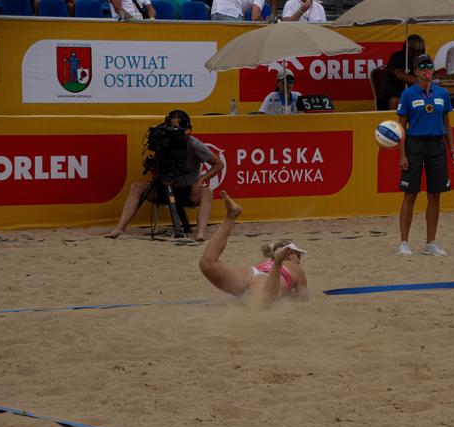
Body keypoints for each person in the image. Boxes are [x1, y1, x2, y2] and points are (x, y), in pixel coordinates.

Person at [106, 110, 224, 241]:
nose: (175, 132)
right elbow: (157, 166)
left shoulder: (194, 144)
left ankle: (200, 232)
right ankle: (120, 228)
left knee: (207, 192)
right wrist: (151, 164)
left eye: (178, 129)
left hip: (188, 190)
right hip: (163, 188)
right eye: (172, 128)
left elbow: (219, 165)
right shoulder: (162, 141)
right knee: (136, 187)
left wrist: (202, 179)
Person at [396, 54, 454, 257]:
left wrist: (452, 150)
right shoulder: (408, 94)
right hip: (414, 145)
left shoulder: (442, 93)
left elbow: (447, 125)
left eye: (429, 65)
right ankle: (404, 242)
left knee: (435, 195)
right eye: (421, 66)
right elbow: (400, 127)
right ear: (415, 71)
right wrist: (402, 155)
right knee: (410, 195)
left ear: (433, 70)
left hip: (436, 146)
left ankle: (431, 242)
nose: (426, 69)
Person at [199, 191, 309, 310]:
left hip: (249, 273)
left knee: (207, 263)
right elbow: (303, 299)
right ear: (290, 254)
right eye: (298, 255)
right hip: (264, 280)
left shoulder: (266, 259)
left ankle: (231, 215)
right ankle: (277, 264)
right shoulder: (297, 270)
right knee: (261, 303)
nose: (299, 260)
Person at [381, 34, 426, 111]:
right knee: (396, 102)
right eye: (412, 49)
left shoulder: (422, 59)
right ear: (406, 49)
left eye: (419, 50)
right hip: (395, 94)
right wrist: (419, 80)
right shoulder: (397, 57)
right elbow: (400, 75)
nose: (415, 52)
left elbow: (432, 75)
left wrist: (445, 77)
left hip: (416, 93)